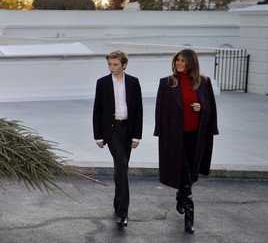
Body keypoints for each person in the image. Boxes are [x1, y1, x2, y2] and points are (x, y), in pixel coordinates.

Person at [154, 49, 218, 234]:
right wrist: (160, 133)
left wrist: (201, 108)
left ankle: (181, 195)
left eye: (182, 60)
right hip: (175, 137)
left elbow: (211, 109)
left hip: (196, 136)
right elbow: (160, 110)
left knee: (189, 172)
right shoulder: (167, 83)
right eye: (177, 60)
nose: (179, 63)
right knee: (186, 172)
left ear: (191, 62)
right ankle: (189, 215)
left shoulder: (203, 82)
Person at [92, 50, 143, 228]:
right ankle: (123, 212)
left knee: (121, 168)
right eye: (109, 64)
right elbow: (97, 110)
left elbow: (138, 111)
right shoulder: (102, 83)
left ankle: (117, 201)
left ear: (124, 65)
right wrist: (98, 136)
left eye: (115, 64)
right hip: (111, 130)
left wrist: (137, 135)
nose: (111, 68)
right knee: (121, 165)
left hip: (128, 130)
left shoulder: (134, 82)